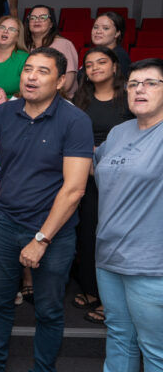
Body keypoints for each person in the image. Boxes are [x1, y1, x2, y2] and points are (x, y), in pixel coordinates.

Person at [0, 47, 93, 372]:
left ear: (60, 81)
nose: (31, 77)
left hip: (53, 231)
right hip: (4, 223)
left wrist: (42, 239)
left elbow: (74, 189)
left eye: (42, 71)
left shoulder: (75, 120)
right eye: (28, 69)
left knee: (48, 309)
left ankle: (43, 368)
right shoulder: (4, 113)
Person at [93, 58, 163, 372]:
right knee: (120, 338)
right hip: (109, 257)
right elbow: (98, 174)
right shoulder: (119, 132)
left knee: (155, 350)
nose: (139, 89)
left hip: (151, 265)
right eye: (133, 84)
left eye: (150, 83)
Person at [71, 47, 132, 325]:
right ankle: (91, 289)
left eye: (101, 62)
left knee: (114, 235)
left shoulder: (128, 99)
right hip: (85, 173)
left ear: (115, 67)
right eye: (89, 64)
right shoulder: (80, 98)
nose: (95, 67)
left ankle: (112, 301)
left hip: (121, 175)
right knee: (87, 231)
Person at [23, 5, 79, 98]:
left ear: (51, 24)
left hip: (58, 99)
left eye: (43, 17)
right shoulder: (25, 46)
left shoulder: (63, 44)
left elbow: (67, 84)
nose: (37, 20)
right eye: (33, 17)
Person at [0, 17, 29, 98]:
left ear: (18, 37)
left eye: (11, 29)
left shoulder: (25, 59)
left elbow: (29, 90)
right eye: (2, 27)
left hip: (14, 104)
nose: (5, 31)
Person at [89, 12, 131, 77]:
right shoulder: (93, 54)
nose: (98, 31)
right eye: (95, 27)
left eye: (105, 28)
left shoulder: (119, 57)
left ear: (117, 33)